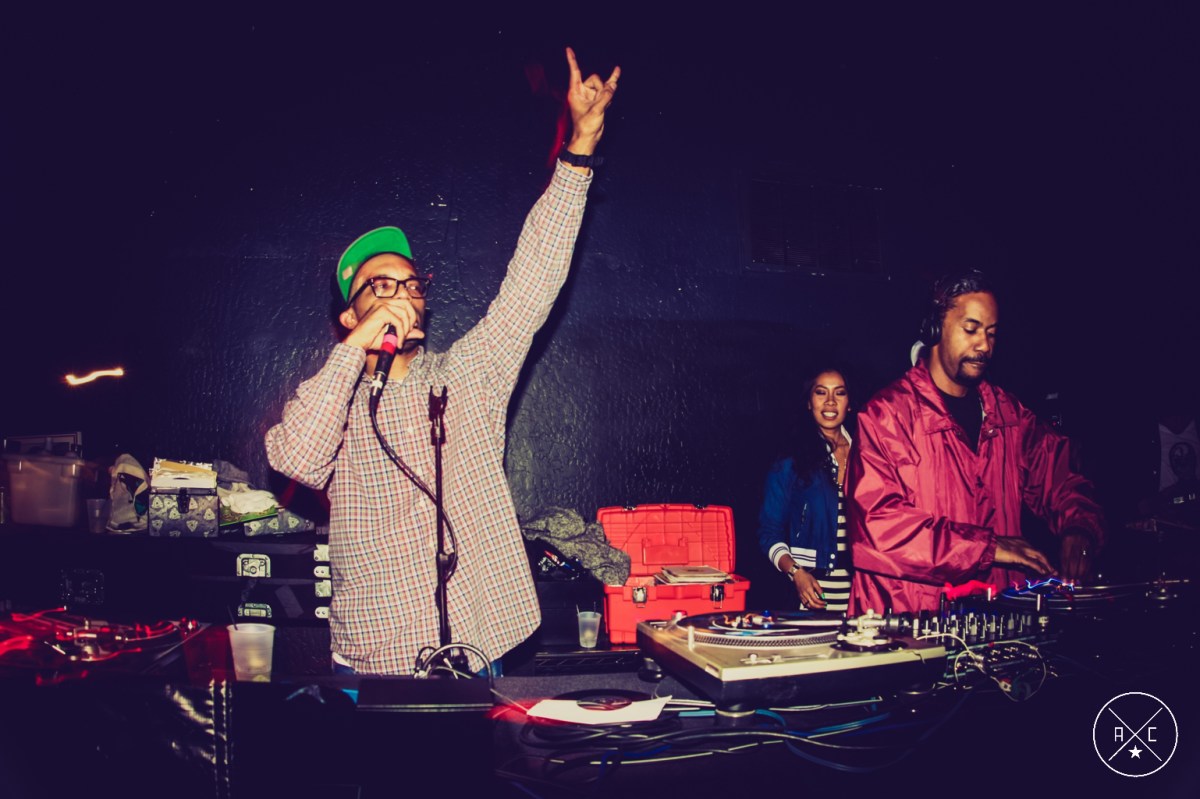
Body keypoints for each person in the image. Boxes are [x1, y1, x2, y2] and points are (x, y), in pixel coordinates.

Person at [264, 48, 619, 675]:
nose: (401, 294)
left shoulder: (469, 374)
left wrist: (579, 150)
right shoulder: (333, 400)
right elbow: (295, 459)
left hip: (476, 645)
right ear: (349, 316)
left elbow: (531, 281)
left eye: (410, 283)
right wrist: (353, 352)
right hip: (377, 654)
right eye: (379, 286)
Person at [847, 271, 1104, 615]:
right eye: (971, 329)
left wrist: (1079, 527)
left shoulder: (1009, 415)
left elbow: (1062, 477)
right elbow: (878, 527)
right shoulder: (887, 415)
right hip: (910, 622)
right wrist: (987, 547)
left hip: (996, 619)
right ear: (935, 328)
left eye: (991, 333)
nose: (984, 345)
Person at [757, 369, 854, 613]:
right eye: (821, 392)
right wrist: (795, 573)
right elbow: (768, 532)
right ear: (809, 402)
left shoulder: (868, 454)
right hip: (810, 593)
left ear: (849, 403)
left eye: (839, 393)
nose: (830, 401)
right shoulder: (790, 460)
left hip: (861, 595)